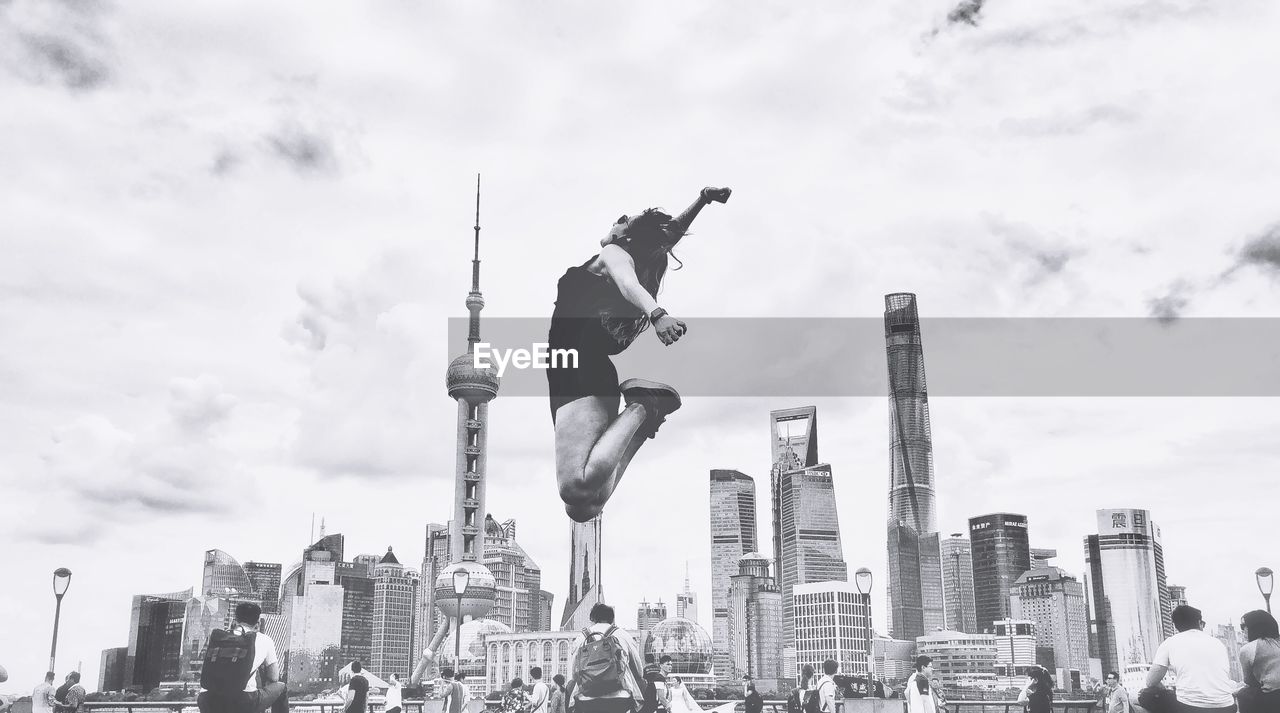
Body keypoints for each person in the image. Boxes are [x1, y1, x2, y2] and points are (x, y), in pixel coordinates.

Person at [547, 187, 732, 523]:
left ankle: (643, 406)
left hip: (575, 365)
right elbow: (668, 234)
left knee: (575, 489)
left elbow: (629, 283)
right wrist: (702, 200)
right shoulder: (633, 253)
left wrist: (657, 315)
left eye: (624, 222)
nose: (617, 222)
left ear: (627, 238)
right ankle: (646, 416)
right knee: (584, 507)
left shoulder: (614, 254)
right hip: (592, 370)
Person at [1147, 605, 1239, 713]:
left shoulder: (1170, 642)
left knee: (1144, 695)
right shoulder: (1217, 643)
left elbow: (1150, 682)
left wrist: (1165, 690)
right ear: (1199, 623)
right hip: (1227, 707)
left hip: (1189, 708)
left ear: (1176, 625)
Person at [196, 602, 286, 713]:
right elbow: (274, 677)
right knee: (281, 687)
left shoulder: (219, 638)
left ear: (234, 621)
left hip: (207, 699)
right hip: (243, 702)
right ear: (257, 624)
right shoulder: (265, 640)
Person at [568, 603, 647, 713]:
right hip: (619, 696)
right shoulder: (623, 635)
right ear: (612, 618)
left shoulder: (582, 637)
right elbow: (639, 671)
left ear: (592, 618)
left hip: (587, 698)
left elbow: (573, 674)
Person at [1238, 610, 1280, 713]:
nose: (1242, 631)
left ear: (1254, 626)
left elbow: (1248, 680)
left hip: (1272, 698)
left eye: (1244, 626)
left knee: (1243, 694)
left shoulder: (1248, 649)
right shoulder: (1277, 642)